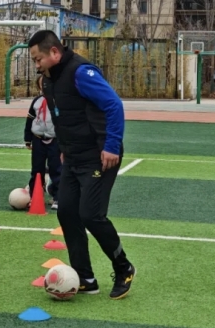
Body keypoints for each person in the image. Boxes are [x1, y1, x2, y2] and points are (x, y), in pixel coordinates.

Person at [28, 30, 135, 299]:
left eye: (38, 59)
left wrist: (112, 145)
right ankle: (85, 277)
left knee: (91, 214)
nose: (36, 65)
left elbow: (113, 105)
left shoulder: (81, 73)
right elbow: (63, 117)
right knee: (66, 212)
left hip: (99, 155)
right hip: (73, 157)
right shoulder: (48, 81)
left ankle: (123, 267)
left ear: (54, 52)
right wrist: (64, 149)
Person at [25, 75, 61, 209]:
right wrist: (27, 138)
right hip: (38, 139)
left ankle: (57, 197)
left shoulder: (59, 101)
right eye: (42, 84)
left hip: (55, 140)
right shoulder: (36, 101)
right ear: (39, 87)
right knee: (37, 169)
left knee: (56, 169)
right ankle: (34, 196)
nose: (45, 86)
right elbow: (30, 120)